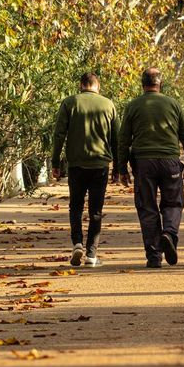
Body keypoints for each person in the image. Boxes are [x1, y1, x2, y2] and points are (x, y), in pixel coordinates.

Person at [117, 67, 184, 268]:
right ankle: (169, 232)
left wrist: (122, 168)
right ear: (161, 84)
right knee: (173, 203)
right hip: (170, 161)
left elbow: (123, 140)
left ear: (142, 84)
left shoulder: (133, 106)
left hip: (143, 163)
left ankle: (154, 256)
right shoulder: (173, 104)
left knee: (147, 207)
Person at [50, 71, 117, 268]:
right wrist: (119, 167)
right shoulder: (108, 104)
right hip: (100, 165)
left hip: (76, 165)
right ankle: (91, 254)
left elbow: (59, 135)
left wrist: (55, 162)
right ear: (98, 86)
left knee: (76, 206)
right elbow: (116, 138)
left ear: (81, 85)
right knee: (96, 210)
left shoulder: (70, 103)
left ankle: (77, 243)